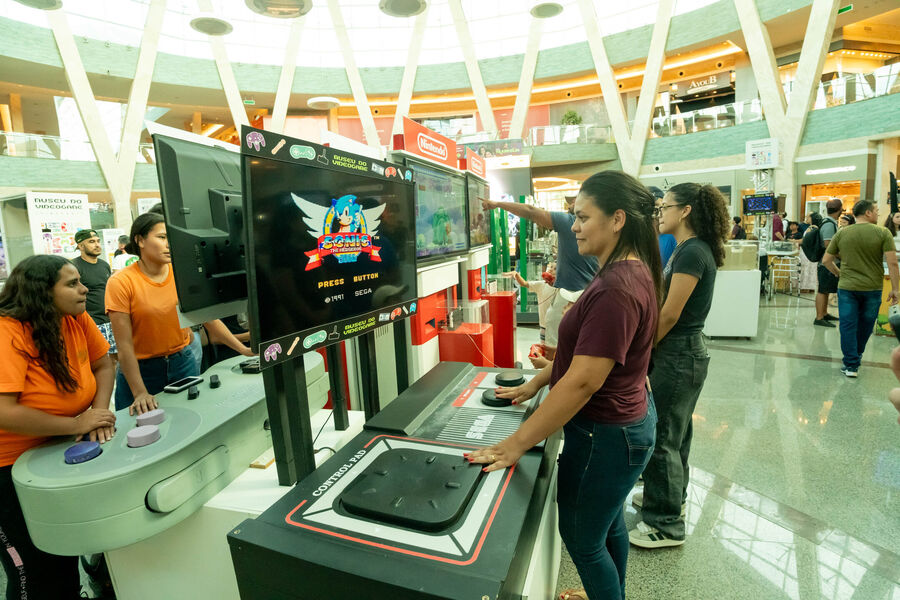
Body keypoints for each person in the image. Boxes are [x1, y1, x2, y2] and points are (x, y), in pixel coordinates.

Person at [467, 171, 660, 600]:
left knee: (584, 539)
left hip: (605, 436)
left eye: (583, 218)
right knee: (608, 523)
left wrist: (514, 445)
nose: (573, 228)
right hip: (628, 422)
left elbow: (583, 382)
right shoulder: (629, 271)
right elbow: (586, 357)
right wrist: (537, 382)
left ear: (618, 220)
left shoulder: (616, 288)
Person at [0, 255, 116, 599]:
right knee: (32, 568)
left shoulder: (76, 318)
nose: (84, 289)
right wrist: (75, 422)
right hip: (8, 470)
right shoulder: (7, 331)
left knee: (62, 552)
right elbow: (3, 411)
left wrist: (98, 414)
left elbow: (104, 365)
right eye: (72, 283)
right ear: (41, 291)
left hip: (56, 452)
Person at [627, 182, 729, 549]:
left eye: (665, 207)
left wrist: (641, 349)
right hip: (682, 352)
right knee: (677, 433)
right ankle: (669, 497)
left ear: (685, 211)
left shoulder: (692, 252)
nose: (660, 213)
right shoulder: (689, 249)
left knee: (664, 436)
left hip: (679, 353)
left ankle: (665, 524)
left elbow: (670, 313)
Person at [106, 212, 198, 414]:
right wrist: (140, 393)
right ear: (140, 240)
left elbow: (208, 318)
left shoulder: (180, 273)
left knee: (189, 420)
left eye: (171, 238)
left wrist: (244, 349)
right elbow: (124, 345)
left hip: (183, 362)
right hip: (141, 371)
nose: (169, 244)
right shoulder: (121, 282)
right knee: (141, 428)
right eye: (162, 237)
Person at [822, 199, 900, 377]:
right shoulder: (883, 232)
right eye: (876, 210)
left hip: (847, 287)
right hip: (873, 287)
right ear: (868, 213)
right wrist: (895, 289)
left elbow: (826, 260)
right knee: (866, 324)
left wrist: (839, 273)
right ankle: (855, 357)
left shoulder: (842, 233)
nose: (878, 213)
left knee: (848, 325)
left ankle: (851, 365)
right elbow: (892, 263)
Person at [71, 228, 117, 362]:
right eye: (91, 242)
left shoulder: (104, 265)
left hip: (109, 320)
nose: (97, 245)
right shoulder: (74, 266)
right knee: (97, 361)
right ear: (80, 246)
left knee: (114, 360)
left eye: (98, 241)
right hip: (91, 322)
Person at [814, 199, 842, 327]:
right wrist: (841, 256)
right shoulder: (829, 224)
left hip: (827, 262)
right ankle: (819, 317)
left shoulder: (828, 222)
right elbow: (828, 245)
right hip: (826, 264)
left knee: (826, 290)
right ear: (840, 210)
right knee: (822, 290)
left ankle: (824, 313)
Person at [649, 186, 676, 266]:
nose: (655, 211)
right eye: (651, 208)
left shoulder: (673, 236)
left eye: (658, 207)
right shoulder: (637, 237)